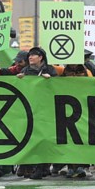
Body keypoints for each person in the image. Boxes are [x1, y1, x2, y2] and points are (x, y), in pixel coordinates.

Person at [17, 47, 57, 179]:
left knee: (44, 139)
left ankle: (42, 167)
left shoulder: (50, 70)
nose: (30, 57)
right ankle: (31, 166)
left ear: (41, 57)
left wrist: (51, 80)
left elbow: (60, 87)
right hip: (30, 110)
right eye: (29, 55)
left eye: (33, 55)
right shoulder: (26, 71)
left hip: (46, 110)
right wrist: (19, 80)